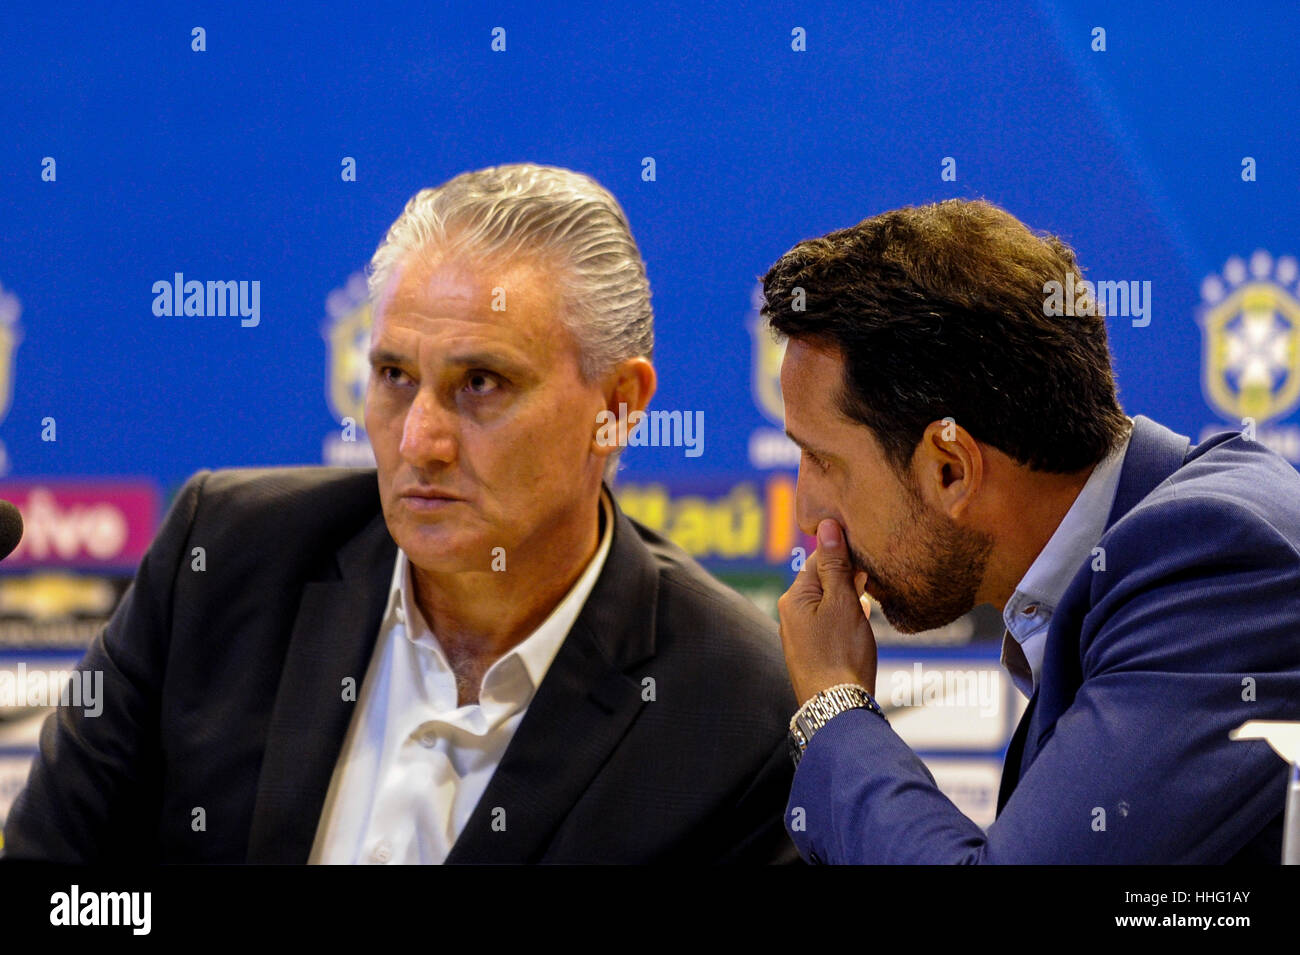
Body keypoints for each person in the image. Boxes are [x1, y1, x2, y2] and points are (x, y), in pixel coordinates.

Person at [2, 163, 797, 864]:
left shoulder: (736, 708)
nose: (420, 439)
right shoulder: (216, 563)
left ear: (617, 407)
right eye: (392, 374)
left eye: (480, 382)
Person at [764, 198, 1300, 863]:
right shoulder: (1132, 571)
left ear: (952, 469)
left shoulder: (1218, 561)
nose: (806, 515)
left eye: (822, 460)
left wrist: (833, 706)